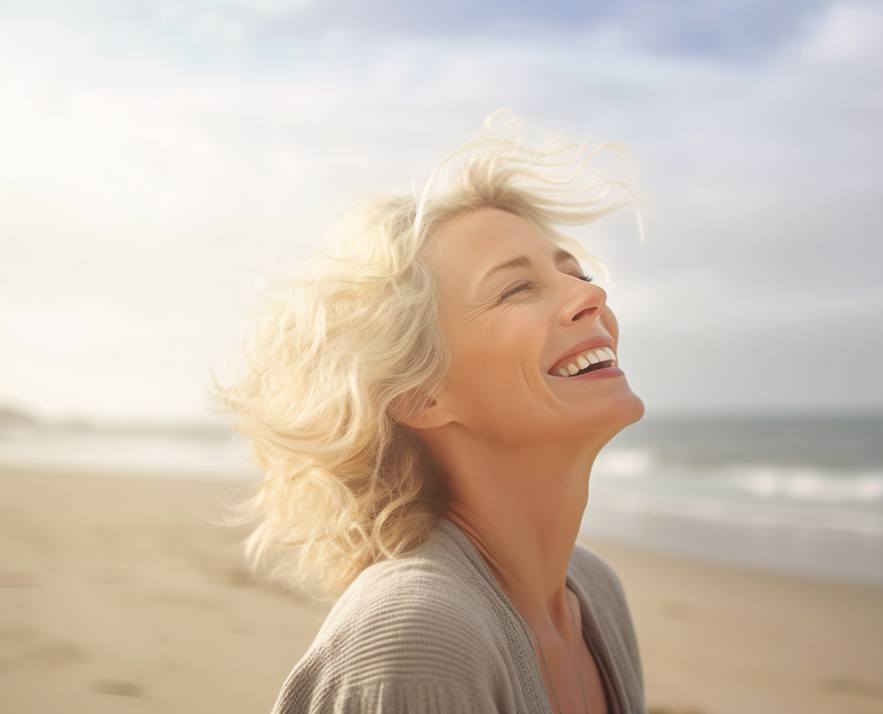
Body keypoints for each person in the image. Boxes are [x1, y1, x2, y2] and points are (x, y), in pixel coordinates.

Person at [210, 109, 648, 713]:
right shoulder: (415, 638)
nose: (591, 295)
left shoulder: (595, 593)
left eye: (577, 272)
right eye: (517, 288)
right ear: (418, 394)